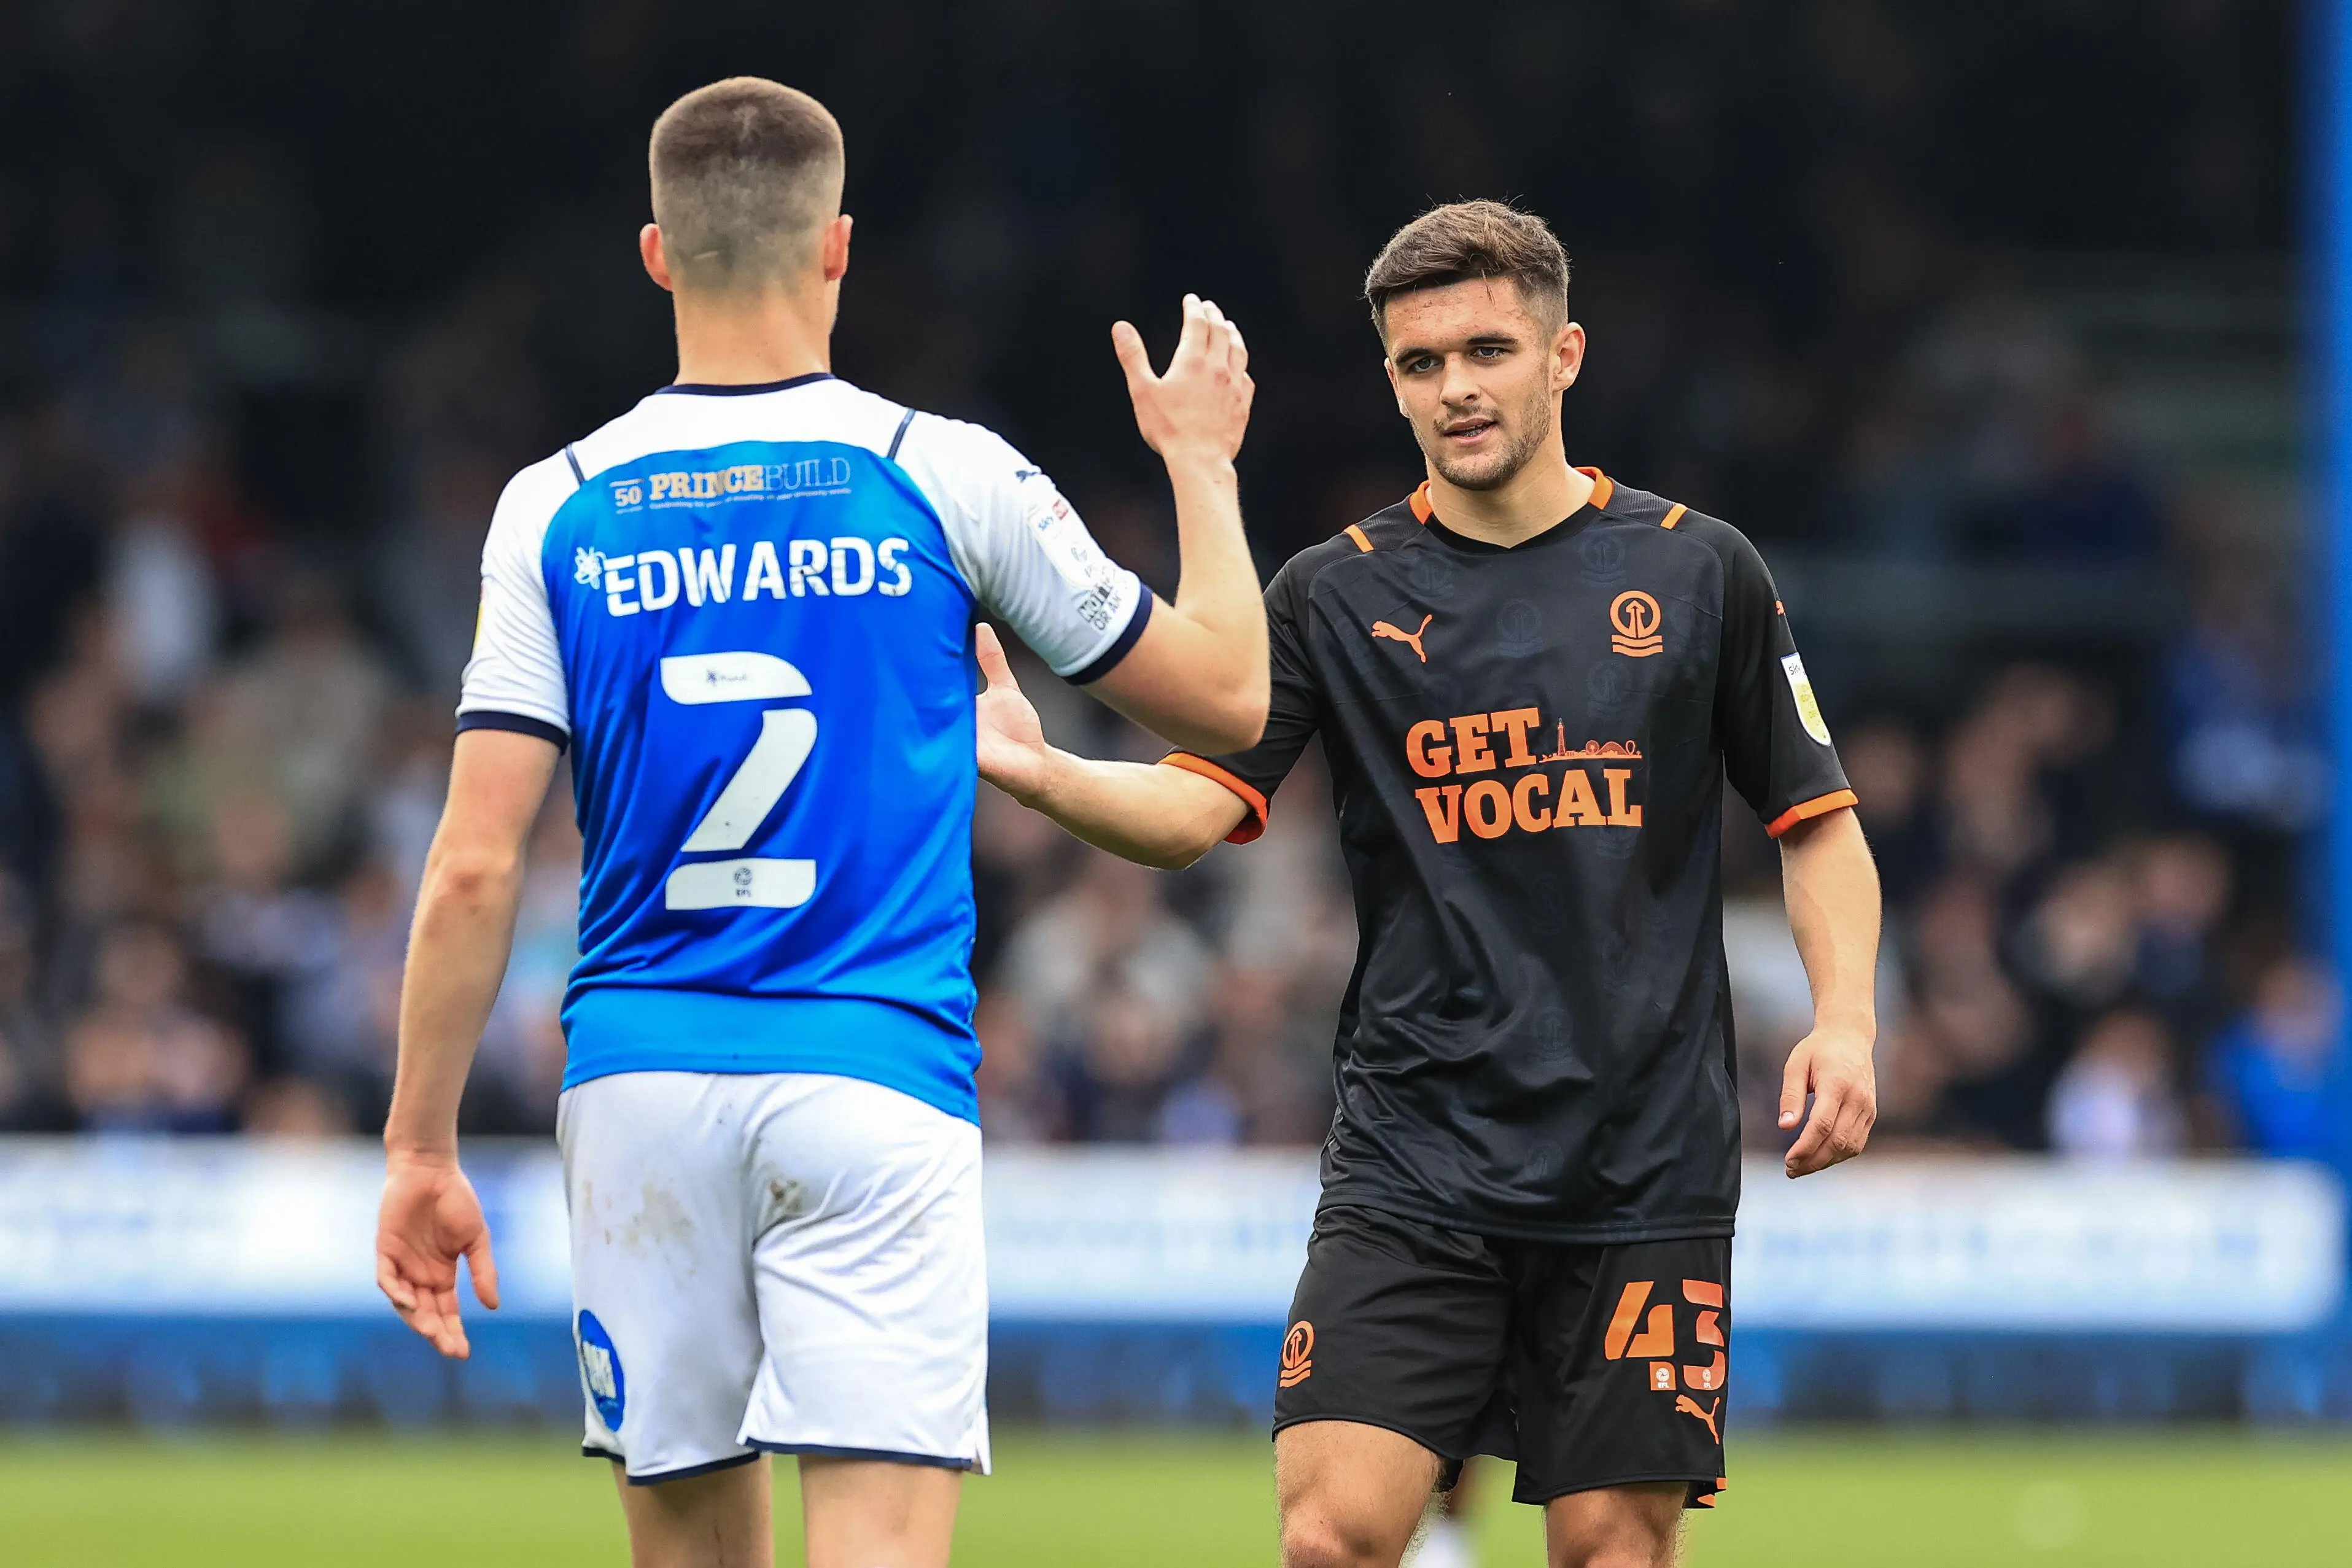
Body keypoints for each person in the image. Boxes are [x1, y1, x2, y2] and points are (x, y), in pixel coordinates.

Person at [373, 77, 1265, 1568]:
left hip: (641, 1083)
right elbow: (1230, 700)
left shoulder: (555, 504)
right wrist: (1201, 463)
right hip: (872, 1076)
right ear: (840, 248)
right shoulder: (942, 473)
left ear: (654, 254)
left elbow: (474, 861)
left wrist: (418, 1143)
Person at [975, 200, 1882, 1568]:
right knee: (1332, 1534)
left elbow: (1816, 820)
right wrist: (1049, 776)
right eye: (1418, 362)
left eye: (1486, 348)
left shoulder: (1700, 570)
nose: (1455, 386)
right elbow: (1193, 807)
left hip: (1641, 1157)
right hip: (1417, 1149)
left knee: (1607, 1551)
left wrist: (1847, 1016)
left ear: (1563, 355)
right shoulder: (1331, 596)